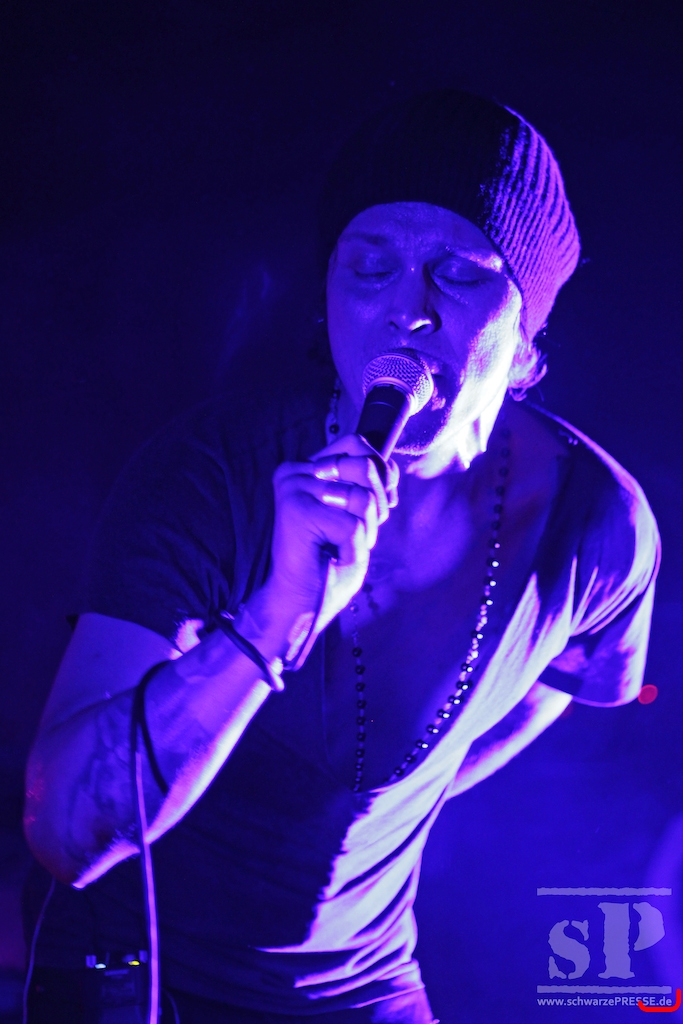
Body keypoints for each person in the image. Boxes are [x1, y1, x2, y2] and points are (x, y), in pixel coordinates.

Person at [23, 91, 659, 1023]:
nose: (407, 311)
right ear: (326, 301)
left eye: (457, 274)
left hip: (362, 985)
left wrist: (408, 784)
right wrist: (272, 620)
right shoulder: (210, 474)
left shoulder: (596, 520)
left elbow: (565, 685)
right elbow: (61, 833)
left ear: (526, 335)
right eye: (370, 267)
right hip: (133, 971)